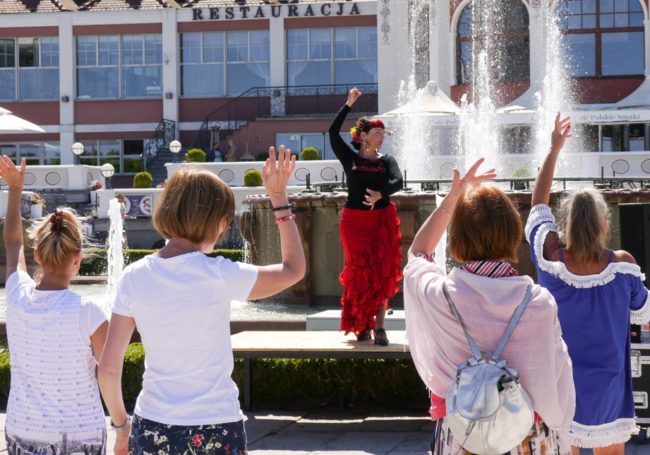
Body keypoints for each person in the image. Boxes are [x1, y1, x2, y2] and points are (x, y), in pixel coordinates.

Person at [98, 145, 305, 455]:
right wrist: (279, 200)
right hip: (217, 425)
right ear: (215, 220)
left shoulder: (133, 277)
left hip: (153, 425)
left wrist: (121, 427)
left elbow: (108, 370)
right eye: (226, 221)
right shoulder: (219, 274)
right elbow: (293, 269)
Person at [404, 158, 576, 455]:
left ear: (457, 236)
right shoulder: (538, 303)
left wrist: (454, 196)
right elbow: (556, 378)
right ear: (512, 234)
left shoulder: (439, 295)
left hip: (463, 433)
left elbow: (418, 253)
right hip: (526, 437)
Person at [527, 113, 650, 454]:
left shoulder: (550, 260)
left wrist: (554, 150)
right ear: (603, 224)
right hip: (608, 391)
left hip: (559, 388)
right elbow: (645, 313)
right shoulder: (624, 267)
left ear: (564, 222)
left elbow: (537, 205)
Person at [0, 156, 108, 454]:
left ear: (38, 257)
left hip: (24, 431)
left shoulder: (17, 294)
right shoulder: (90, 313)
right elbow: (108, 372)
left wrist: (15, 189)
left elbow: (12, 243)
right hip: (81, 434)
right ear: (77, 259)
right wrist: (122, 423)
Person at [329, 87, 404, 346]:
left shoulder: (387, 160)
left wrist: (380, 195)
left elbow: (398, 182)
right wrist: (348, 104)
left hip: (380, 221)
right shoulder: (349, 158)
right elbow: (331, 132)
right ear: (363, 136)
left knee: (382, 272)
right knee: (359, 272)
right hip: (354, 223)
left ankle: (380, 327)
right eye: (377, 133)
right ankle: (362, 324)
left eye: (383, 133)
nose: (382, 137)